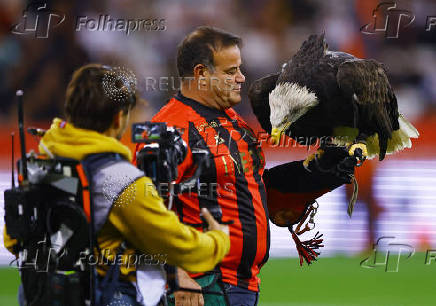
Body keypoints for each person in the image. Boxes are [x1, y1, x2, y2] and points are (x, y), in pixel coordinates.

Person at [135, 26, 359, 306]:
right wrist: (175, 275)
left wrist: (312, 174)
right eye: (230, 72)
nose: (241, 78)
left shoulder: (236, 124)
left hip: (243, 284)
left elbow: (252, 189)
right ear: (201, 74)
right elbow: (140, 212)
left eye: (239, 69)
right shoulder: (166, 129)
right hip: (201, 287)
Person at [3, 63, 230, 306]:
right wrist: (218, 239)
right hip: (108, 295)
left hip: (41, 293)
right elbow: (178, 246)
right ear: (118, 117)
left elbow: (14, 238)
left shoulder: (42, 163)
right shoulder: (122, 180)